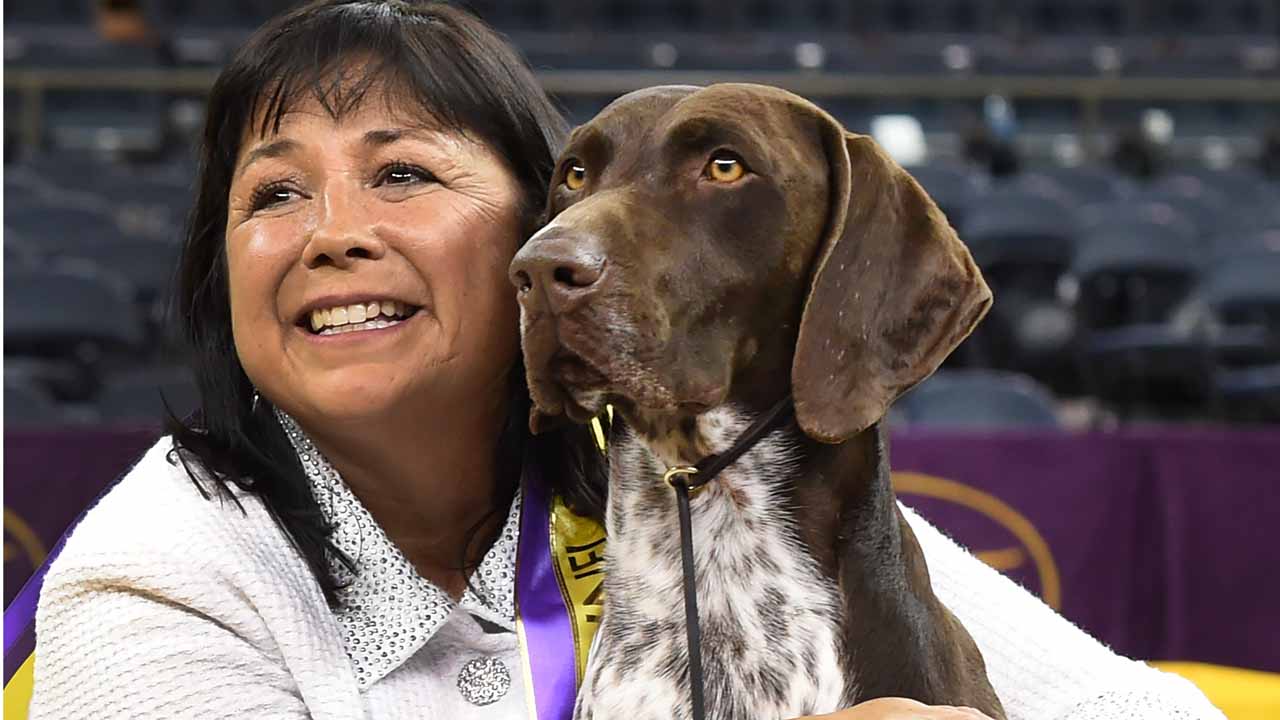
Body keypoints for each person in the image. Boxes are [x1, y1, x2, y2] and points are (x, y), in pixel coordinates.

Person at [27, 2, 1225, 719]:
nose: (332, 231)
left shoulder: (695, 471)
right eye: (272, 192)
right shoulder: (159, 578)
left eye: (402, 173)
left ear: (515, 231)